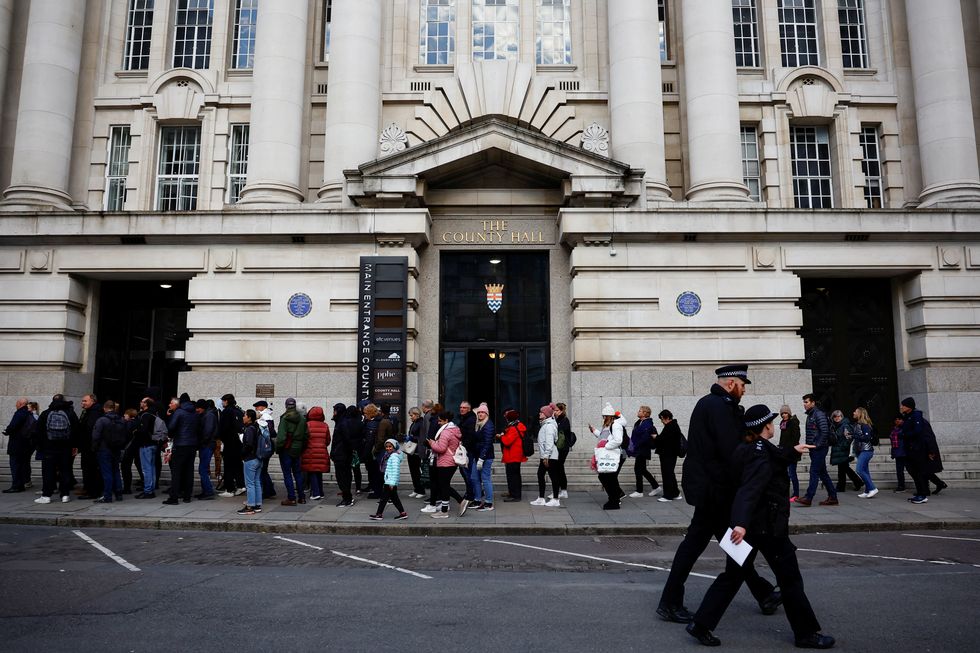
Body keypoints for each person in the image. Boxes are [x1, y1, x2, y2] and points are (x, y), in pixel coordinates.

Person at [686, 404, 834, 650]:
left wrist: (793, 451)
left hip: (750, 529)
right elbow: (750, 489)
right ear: (766, 426)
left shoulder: (749, 448)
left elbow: (773, 458)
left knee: (731, 577)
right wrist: (741, 524)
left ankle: (700, 624)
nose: (774, 426)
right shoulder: (760, 455)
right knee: (790, 580)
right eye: (772, 423)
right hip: (766, 527)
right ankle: (806, 634)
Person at [657, 365, 780, 625]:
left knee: (724, 542)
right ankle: (669, 602)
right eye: (742, 384)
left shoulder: (716, 404)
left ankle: (764, 593)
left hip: (711, 488)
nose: (745, 389)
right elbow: (730, 450)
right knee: (699, 545)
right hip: (713, 489)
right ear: (730, 383)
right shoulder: (717, 406)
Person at [899, 397, 947, 504]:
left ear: (909, 407)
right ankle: (922, 492)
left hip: (917, 450)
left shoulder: (916, 417)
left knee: (919, 472)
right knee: (915, 471)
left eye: (903, 405)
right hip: (913, 449)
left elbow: (921, 434)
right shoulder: (909, 417)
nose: (901, 407)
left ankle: (922, 494)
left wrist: (903, 434)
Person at [33, 394, 79, 504]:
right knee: (65, 471)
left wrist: (39, 446)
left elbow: (37, 431)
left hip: (49, 447)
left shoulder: (45, 413)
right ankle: (65, 495)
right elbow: (77, 431)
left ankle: (46, 495)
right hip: (66, 448)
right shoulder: (70, 413)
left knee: (48, 472)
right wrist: (75, 446)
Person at [796, 394, 838, 507]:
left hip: (819, 448)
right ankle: (833, 497)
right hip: (814, 448)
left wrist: (816, 445)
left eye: (806, 402)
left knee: (814, 471)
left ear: (813, 403)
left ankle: (808, 497)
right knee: (822, 473)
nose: (804, 404)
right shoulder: (811, 415)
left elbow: (824, 431)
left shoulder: (818, 414)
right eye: (804, 402)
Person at [427, 411, 465, 518]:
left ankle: (445, 511)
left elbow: (441, 448)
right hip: (452, 461)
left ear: (446, 421)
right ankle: (458, 502)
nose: (438, 423)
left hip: (445, 462)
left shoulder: (445, 432)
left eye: (440, 420)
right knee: (444, 485)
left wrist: (432, 443)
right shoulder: (455, 430)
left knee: (443, 486)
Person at [164, 393, 200, 505]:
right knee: (189, 471)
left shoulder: (179, 412)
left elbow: (171, 427)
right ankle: (187, 497)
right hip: (192, 445)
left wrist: (172, 433)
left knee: (176, 472)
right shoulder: (195, 413)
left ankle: (173, 497)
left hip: (180, 444)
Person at [589, 403, 627, 509]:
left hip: (615, 454)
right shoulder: (610, 425)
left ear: (608, 416)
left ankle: (614, 499)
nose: (603, 418)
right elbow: (604, 436)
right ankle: (614, 498)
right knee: (607, 477)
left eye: (604, 416)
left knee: (609, 477)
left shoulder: (615, 425)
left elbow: (618, 440)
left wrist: (606, 446)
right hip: (611, 453)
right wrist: (594, 431)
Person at [277, 397, 308, 506]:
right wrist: (301, 447)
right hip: (298, 449)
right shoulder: (302, 419)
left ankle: (291, 498)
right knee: (298, 473)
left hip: (286, 449)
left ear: (286, 406)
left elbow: (281, 437)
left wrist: (278, 448)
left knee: (287, 474)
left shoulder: (284, 418)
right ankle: (302, 497)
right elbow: (306, 436)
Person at [531, 403, 561, 507]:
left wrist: (546, 456)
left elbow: (549, 442)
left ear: (546, 414)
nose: (540, 413)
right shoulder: (546, 424)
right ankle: (541, 498)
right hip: (546, 456)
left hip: (549, 456)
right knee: (541, 475)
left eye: (542, 412)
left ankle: (555, 499)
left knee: (552, 476)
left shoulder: (549, 426)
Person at [370, 439, 408, 520]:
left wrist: (392, 483)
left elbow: (395, 471)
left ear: (394, 447)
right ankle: (402, 513)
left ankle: (379, 514)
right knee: (393, 498)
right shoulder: (390, 455)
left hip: (390, 482)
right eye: (386, 447)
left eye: (390, 446)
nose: (388, 448)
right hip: (389, 481)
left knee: (384, 499)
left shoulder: (394, 456)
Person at [3, 397, 35, 493]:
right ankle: (21, 484)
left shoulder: (20, 413)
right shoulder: (29, 413)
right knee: (22, 464)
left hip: (17, 444)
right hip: (25, 444)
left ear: (21, 404)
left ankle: (16, 485)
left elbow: (13, 425)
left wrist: (6, 431)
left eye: (17, 403)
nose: (16, 405)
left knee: (15, 465)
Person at [628, 405, 661, 498]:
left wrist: (634, 446)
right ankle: (656, 486)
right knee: (642, 469)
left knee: (638, 469)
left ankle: (639, 491)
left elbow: (644, 438)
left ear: (645, 413)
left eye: (640, 411)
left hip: (642, 450)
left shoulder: (647, 424)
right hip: (639, 449)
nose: (638, 412)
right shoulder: (639, 422)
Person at [469, 402, 495, 513]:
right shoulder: (479, 424)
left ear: (486, 414)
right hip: (477, 456)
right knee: (474, 478)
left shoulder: (488, 425)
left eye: (482, 412)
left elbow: (487, 443)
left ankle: (489, 502)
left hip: (486, 457)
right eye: (479, 412)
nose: (480, 414)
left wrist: (482, 458)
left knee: (485, 479)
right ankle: (477, 499)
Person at [76, 393, 104, 500]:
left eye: (85, 401)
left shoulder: (94, 413)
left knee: (90, 469)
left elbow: (90, 431)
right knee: (88, 469)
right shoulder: (89, 412)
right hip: (88, 446)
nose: (83, 403)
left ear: (92, 401)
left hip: (90, 447)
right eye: (82, 401)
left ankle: (92, 491)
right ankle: (89, 489)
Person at [218, 394, 245, 497]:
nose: (222, 403)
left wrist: (221, 438)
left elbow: (223, 428)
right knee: (238, 465)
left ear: (226, 401)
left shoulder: (226, 412)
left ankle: (229, 489)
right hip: (238, 442)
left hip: (229, 442)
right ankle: (240, 485)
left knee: (228, 465)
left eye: (223, 401)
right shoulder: (238, 411)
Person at [829, 410, 862, 494]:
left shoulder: (845, 425)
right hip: (839, 451)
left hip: (844, 450)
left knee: (842, 468)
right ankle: (857, 482)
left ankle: (842, 486)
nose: (837, 418)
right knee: (843, 468)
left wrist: (842, 446)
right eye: (835, 416)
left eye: (839, 416)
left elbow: (849, 438)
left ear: (842, 417)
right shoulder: (835, 426)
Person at [497, 409, 527, 502]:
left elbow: (507, 441)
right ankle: (512, 493)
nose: (505, 418)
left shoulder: (513, 428)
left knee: (513, 476)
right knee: (514, 475)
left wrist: (500, 436)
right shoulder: (516, 426)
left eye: (507, 417)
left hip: (513, 456)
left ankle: (515, 495)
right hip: (515, 455)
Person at [302, 406, 331, 500]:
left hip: (310, 451)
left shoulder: (307, 425)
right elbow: (328, 441)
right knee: (318, 472)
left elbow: (304, 439)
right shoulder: (325, 425)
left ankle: (315, 493)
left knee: (312, 472)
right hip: (322, 451)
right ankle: (320, 492)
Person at [655, 410, 683, 502]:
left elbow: (662, 439)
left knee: (667, 474)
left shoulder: (670, 426)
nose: (661, 421)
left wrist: (655, 437)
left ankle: (668, 495)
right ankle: (675, 493)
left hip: (668, 454)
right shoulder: (673, 426)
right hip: (670, 454)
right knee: (670, 473)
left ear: (666, 418)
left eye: (662, 419)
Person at [238, 409, 262, 516]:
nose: (243, 417)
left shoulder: (249, 429)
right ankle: (257, 505)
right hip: (258, 458)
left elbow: (248, 445)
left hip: (250, 459)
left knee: (250, 484)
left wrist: (242, 455)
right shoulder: (257, 427)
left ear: (249, 418)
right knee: (256, 482)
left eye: (244, 415)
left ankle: (250, 506)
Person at [851, 407, 878, 498]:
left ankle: (872, 488)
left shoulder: (865, 425)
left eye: (855, 411)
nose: (853, 413)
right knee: (865, 471)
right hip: (861, 450)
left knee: (859, 470)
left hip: (866, 451)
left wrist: (854, 436)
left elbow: (866, 438)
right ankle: (867, 491)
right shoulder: (857, 424)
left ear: (860, 414)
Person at [134, 397, 158, 499]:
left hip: (145, 445)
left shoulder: (145, 415)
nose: (141, 403)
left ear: (146, 404)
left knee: (146, 468)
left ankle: (148, 490)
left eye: (142, 401)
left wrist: (135, 430)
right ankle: (151, 489)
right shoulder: (154, 414)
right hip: (153, 443)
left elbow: (142, 430)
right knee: (151, 467)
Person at [196, 399, 219, 500]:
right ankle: (205, 491)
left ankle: (208, 492)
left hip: (207, 445)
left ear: (203, 407)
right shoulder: (206, 415)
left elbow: (207, 432)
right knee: (203, 469)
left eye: (198, 408)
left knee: (203, 469)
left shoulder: (209, 416)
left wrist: (202, 442)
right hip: (206, 445)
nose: (196, 410)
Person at [778, 405, 802, 501]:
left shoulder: (793, 423)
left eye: (785, 413)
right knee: (785, 474)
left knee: (792, 473)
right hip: (784, 453)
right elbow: (782, 438)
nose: (784, 415)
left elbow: (796, 437)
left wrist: (790, 448)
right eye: (782, 413)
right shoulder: (783, 423)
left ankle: (796, 494)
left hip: (792, 453)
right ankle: (786, 493)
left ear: (789, 413)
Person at [456, 401, 477, 506]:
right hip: (465, 449)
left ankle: (471, 494)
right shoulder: (464, 418)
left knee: (467, 473)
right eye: (461, 407)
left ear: (469, 409)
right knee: (465, 472)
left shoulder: (471, 419)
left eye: (464, 407)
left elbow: (470, 436)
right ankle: (471, 492)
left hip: (468, 451)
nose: (462, 409)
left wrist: (464, 447)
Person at [405, 407, 426, 497]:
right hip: (412, 449)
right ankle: (416, 488)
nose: (411, 417)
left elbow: (421, 437)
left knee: (416, 471)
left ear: (417, 414)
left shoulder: (421, 423)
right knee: (413, 470)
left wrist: (411, 438)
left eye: (412, 415)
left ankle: (421, 490)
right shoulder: (414, 423)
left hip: (417, 450)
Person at [553, 402, 573, 498]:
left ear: (561, 411)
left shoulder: (564, 420)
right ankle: (561, 490)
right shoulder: (558, 419)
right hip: (560, 448)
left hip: (562, 448)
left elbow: (558, 432)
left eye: (556, 410)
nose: (554, 412)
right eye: (554, 410)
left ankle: (563, 490)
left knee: (559, 468)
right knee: (559, 468)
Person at [888, 414, 909, 492]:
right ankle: (901, 486)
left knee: (912, 470)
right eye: (896, 419)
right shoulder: (894, 429)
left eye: (899, 419)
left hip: (905, 452)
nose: (897, 420)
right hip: (898, 452)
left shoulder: (905, 428)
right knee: (899, 471)